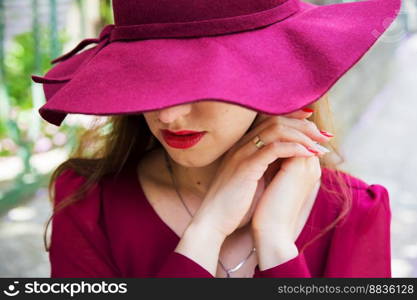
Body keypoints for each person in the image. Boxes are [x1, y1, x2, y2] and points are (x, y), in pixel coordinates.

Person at [31, 0, 400, 278]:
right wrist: (206, 230)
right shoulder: (89, 203)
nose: (168, 115)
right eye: (149, 79)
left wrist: (276, 242)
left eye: (199, 82)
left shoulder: (353, 214)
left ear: (273, 74)